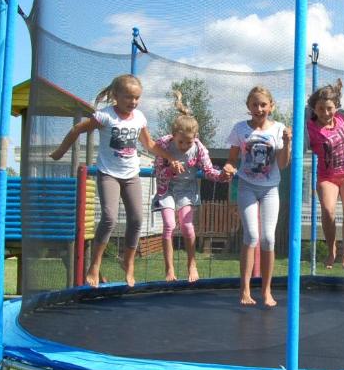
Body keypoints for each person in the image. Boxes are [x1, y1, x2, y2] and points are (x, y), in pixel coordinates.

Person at [50, 74, 182, 288]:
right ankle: (95, 264)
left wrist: (170, 158)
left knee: (137, 219)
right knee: (110, 218)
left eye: (137, 98)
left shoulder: (139, 118)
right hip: (108, 173)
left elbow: (149, 144)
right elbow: (77, 129)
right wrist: (59, 152)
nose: (133, 102)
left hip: (131, 175)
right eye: (129, 97)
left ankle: (128, 263)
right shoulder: (105, 116)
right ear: (116, 96)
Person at [152, 91, 235, 283]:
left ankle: (191, 263)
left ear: (195, 137)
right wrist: (171, 169)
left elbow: (208, 171)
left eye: (188, 142)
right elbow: (158, 172)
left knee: (188, 227)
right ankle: (169, 268)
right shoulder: (163, 145)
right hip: (167, 188)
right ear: (173, 136)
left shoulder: (198, 148)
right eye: (180, 142)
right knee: (169, 226)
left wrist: (222, 175)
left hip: (187, 190)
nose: (184, 146)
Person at [227, 86, 292, 307]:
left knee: (268, 239)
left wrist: (288, 143)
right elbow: (232, 159)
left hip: (270, 188)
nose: (259, 108)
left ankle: (266, 291)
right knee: (252, 236)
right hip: (246, 186)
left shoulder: (279, 129)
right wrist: (227, 166)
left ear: (271, 106)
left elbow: (282, 164)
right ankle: (245, 290)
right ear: (248, 107)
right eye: (254, 104)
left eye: (263, 104)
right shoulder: (240, 129)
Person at [306, 79, 344, 269]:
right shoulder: (310, 129)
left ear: (336, 107)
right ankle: (332, 248)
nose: (325, 113)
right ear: (314, 109)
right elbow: (300, 146)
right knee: (329, 211)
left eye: (329, 108)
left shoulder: (342, 119)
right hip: (327, 176)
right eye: (320, 109)